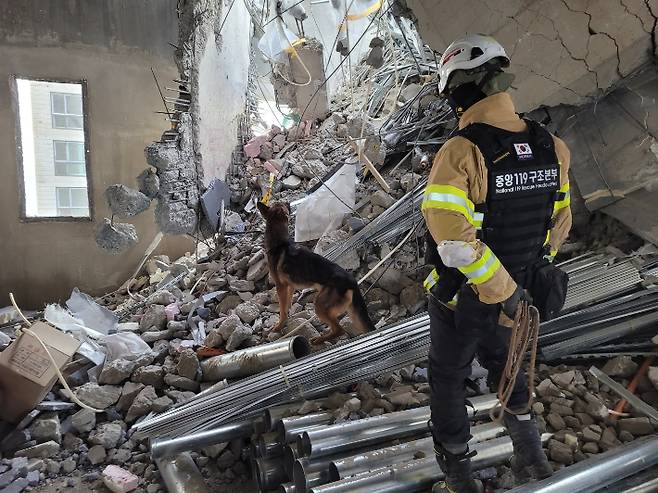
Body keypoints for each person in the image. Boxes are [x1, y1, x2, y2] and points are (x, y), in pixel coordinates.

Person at [421, 34, 572, 493]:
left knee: (448, 377)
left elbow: (455, 244)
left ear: (462, 89)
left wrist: (500, 290)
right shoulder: (552, 146)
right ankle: (533, 461)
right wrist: (522, 285)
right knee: (510, 369)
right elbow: (557, 225)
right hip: (521, 299)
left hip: (464, 299)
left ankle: (460, 478)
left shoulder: (461, 151)